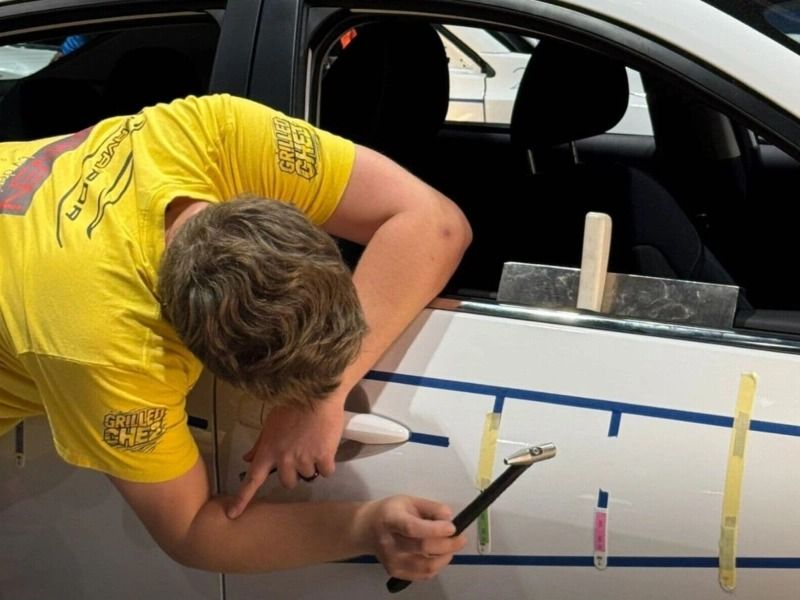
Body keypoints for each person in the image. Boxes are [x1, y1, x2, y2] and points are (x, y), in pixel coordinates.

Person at [0, 94, 471, 579]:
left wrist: (319, 396)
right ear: (195, 354)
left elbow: (437, 223)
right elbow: (191, 532)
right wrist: (363, 526)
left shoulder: (215, 133)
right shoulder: (106, 352)